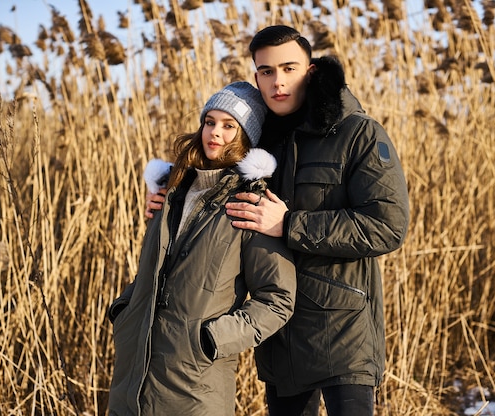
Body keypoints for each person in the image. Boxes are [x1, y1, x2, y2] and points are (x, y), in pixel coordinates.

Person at [146, 25, 409, 415]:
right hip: (279, 338)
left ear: (312, 71)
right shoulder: (258, 142)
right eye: (266, 71)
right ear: (256, 76)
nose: (277, 81)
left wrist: (290, 225)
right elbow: (214, 180)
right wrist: (172, 199)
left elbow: (386, 226)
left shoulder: (358, 133)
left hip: (343, 334)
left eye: (289, 68)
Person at [108, 81, 296, 416]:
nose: (215, 133)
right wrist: (125, 310)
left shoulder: (250, 204)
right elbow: (153, 272)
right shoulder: (171, 192)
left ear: (245, 138)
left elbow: (277, 299)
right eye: (210, 122)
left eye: (228, 126)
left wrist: (214, 339)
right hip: (132, 378)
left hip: (196, 386)